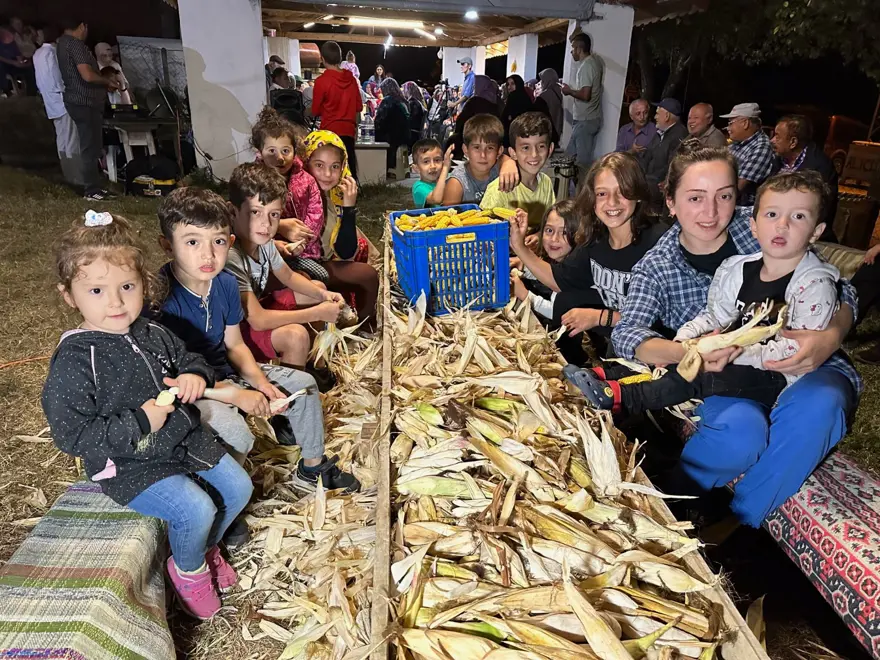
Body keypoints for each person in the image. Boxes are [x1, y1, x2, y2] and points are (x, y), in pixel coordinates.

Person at [611, 143, 860, 529]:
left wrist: (832, 334)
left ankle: (740, 524)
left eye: (724, 196)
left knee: (821, 406)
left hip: (807, 365)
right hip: (729, 378)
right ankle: (673, 504)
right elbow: (627, 334)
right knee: (741, 434)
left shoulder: (769, 220)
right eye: (695, 198)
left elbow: (841, 288)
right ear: (671, 201)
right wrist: (689, 352)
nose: (711, 213)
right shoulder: (657, 266)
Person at [42, 211, 252, 620]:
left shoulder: (151, 331)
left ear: (144, 284)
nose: (117, 302)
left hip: (181, 439)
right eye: (97, 290)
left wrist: (194, 374)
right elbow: (71, 435)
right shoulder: (75, 359)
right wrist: (139, 421)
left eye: (126, 286)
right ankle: (187, 569)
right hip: (127, 463)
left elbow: (190, 357)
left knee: (239, 488)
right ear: (69, 295)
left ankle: (205, 548)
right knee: (196, 508)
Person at [569, 171, 839, 419]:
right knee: (679, 356)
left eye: (799, 217)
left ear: (816, 232)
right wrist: (688, 337)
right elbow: (715, 314)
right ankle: (603, 375)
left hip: (774, 372)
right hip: (731, 351)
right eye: (772, 216)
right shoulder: (739, 267)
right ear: (754, 226)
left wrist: (732, 352)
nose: (782, 226)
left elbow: (798, 348)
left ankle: (620, 397)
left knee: (703, 375)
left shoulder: (813, 283)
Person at [157, 187, 359, 499]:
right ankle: (218, 493)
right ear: (167, 246)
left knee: (303, 384)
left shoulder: (223, 283)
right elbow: (167, 382)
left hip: (225, 373)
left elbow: (235, 345)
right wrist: (235, 395)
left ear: (231, 242)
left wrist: (260, 381)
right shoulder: (162, 299)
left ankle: (312, 467)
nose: (208, 255)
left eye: (219, 242)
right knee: (233, 432)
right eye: (193, 242)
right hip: (189, 389)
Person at [509, 152, 665, 363]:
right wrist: (519, 247)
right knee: (567, 300)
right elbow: (559, 280)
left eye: (623, 192)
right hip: (620, 347)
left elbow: (662, 317)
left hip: (658, 352)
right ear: (591, 199)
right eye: (602, 194)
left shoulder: (659, 243)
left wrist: (599, 317)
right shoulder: (596, 239)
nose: (612, 202)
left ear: (637, 194)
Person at [224, 162, 345, 370]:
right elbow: (258, 321)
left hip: (253, 312)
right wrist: (317, 313)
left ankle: (314, 365)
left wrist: (323, 297)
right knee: (295, 336)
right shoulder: (231, 257)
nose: (266, 224)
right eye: (255, 212)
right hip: (232, 337)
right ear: (233, 211)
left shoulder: (264, 243)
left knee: (318, 288)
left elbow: (288, 276)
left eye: (274, 214)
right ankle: (293, 393)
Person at [302, 130, 380, 330]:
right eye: (319, 165)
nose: (328, 174)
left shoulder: (336, 196)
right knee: (367, 275)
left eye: (334, 166)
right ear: (305, 162)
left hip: (327, 261)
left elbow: (345, 251)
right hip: (302, 266)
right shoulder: (299, 194)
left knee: (366, 265)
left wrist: (348, 208)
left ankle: (360, 326)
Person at [249, 107, 326, 286]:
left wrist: (301, 241)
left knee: (320, 275)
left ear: (294, 149)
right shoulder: (252, 180)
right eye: (271, 151)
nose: (280, 158)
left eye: (285, 151)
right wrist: (277, 232)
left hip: (302, 250)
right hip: (265, 248)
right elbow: (248, 218)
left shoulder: (306, 181)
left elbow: (315, 214)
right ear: (259, 151)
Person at [56, 16, 118, 201]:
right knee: (90, 146)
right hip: (85, 101)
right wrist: (106, 81)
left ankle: (95, 186)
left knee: (90, 144)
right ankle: (91, 190)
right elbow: (87, 75)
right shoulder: (75, 45)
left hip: (78, 100)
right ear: (82, 26)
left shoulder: (62, 44)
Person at [481, 112, 556, 229]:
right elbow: (484, 229)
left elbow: (548, 223)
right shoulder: (500, 188)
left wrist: (538, 236)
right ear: (513, 153)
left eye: (541, 146)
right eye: (526, 148)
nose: (534, 154)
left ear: (550, 149)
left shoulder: (546, 182)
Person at [770, 114, 838, 237]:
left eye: (777, 136)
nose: (772, 140)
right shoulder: (778, 161)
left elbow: (818, 210)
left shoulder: (820, 166)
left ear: (793, 142)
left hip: (804, 232)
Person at [33, 25, 81, 187]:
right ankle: (76, 177)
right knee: (71, 140)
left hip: (50, 102)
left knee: (62, 139)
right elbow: (57, 77)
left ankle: (68, 174)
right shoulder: (52, 54)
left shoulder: (38, 54)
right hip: (61, 100)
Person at [312, 41, 361, 180]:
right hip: (349, 130)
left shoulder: (321, 81)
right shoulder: (351, 79)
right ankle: (352, 191)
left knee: (331, 169)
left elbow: (315, 110)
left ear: (322, 58)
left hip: (329, 131)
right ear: (340, 58)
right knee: (348, 166)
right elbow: (359, 107)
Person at [562, 32, 604, 173]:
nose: (572, 51)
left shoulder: (586, 66)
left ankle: (583, 192)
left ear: (579, 49)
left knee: (582, 164)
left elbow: (586, 95)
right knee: (568, 158)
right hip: (586, 119)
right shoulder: (594, 62)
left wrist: (569, 91)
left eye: (573, 48)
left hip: (586, 120)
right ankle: (572, 190)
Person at [721, 102, 775, 206]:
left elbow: (738, 188)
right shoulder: (738, 143)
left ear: (745, 123)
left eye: (730, 123)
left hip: (743, 208)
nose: (728, 128)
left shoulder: (761, 147)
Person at [443, 114, 504, 205]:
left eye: (490, 148)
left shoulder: (502, 171)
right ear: (465, 150)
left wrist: (508, 162)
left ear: (499, 151)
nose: (483, 155)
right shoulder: (456, 184)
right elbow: (448, 215)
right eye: (476, 147)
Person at [638, 98, 688, 198]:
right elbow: (647, 156)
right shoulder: (659, 134)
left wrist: (646, 179)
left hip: (658, 185)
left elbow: (672, 166)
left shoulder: (679, 136)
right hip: (649, 179)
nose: (655, 117)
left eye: (657, 113)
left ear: (666, 116)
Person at [375, 78, 410, 176]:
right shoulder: (403, 100)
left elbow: (379, 121)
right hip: (404, 135)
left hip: (392, 137)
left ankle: (379, 169)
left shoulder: (388, 101)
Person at [411, 138, 454, 208]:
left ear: (443, 162)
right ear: (416, 168)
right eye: (426, 162)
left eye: (437, 160)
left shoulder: (449, 178)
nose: (433, 166)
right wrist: (445, 168)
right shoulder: (419, 187)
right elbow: (436, 199)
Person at [533, 68, 563, 146]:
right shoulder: (561, 92)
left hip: (546, 131)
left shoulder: (544, 96)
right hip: (558, 128)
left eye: (542, 80)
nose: (541, 83)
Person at [501, 75, 533, 148]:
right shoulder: (525, 96)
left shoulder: (514, 97)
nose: (509, 87)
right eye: (508, 84)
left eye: (513, 84)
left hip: (515, 135)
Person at [403, 81, 427, 149]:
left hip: (412, 135)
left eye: (405, 90)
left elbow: (410, 120)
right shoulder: (417, 102)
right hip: (416, 134)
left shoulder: (413, 103)